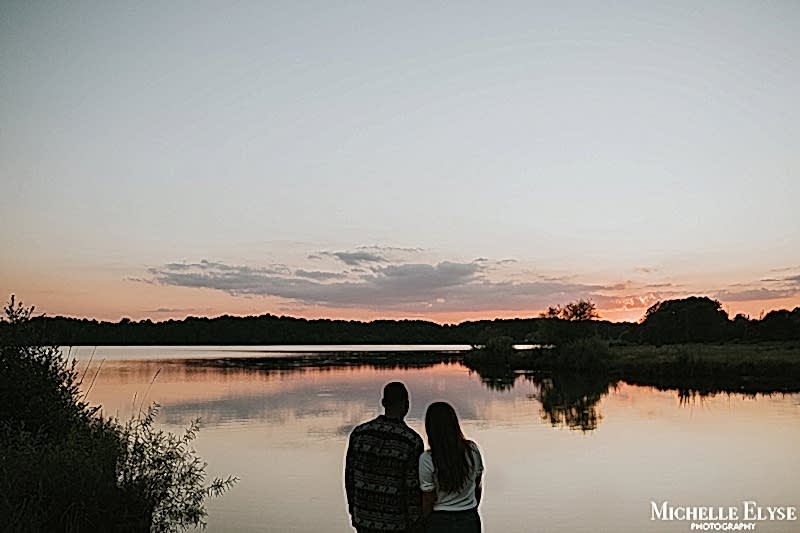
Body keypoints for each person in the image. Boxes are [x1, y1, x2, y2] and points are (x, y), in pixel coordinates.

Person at [345, 382, 424, 533]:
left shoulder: (359, 434)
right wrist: (416, 522)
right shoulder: (411, 441)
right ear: (406, 405)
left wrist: (353, 512)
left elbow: (350, 478)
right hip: (397, 522)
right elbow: (411, 487)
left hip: (363, 517)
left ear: (383, 403)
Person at [418, 402, 484, 533]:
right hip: (469, 518)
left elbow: (428, 498)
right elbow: (478, 484)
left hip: (440, 521)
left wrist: (423, 522)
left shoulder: (427, 458)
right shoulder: (472, 450)